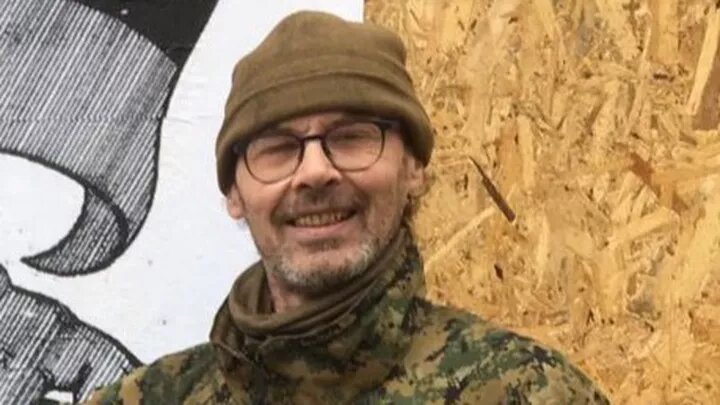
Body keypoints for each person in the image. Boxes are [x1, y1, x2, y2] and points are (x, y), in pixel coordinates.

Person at [87, 10, 609, 404]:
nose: (315, 171)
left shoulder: (525, 390)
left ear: (413, 168)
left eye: (352, 137)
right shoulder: (146, 398)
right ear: (235, 195)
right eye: (278, 148)